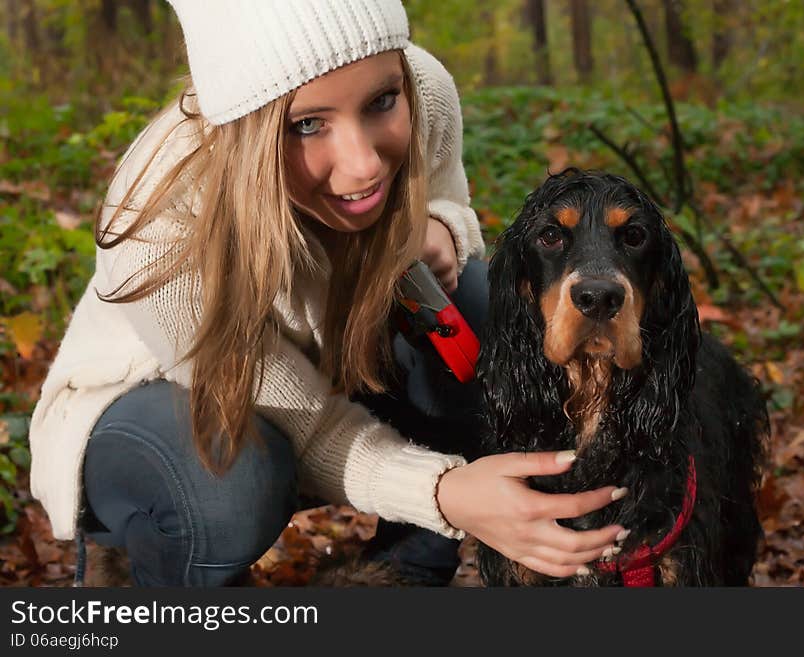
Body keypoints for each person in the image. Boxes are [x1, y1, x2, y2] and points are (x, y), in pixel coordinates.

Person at [28, 0, 628, 587]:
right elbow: (306, 423)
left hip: (338, 356)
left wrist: (443, 227)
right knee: (229, 485)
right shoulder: (161, 216)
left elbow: (446, 199)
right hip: (167, 409)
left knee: (477, 301)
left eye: (381, 102)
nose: (365, 164)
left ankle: (406, 572)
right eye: (306, 124)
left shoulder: (423, 90)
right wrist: (444, 492)